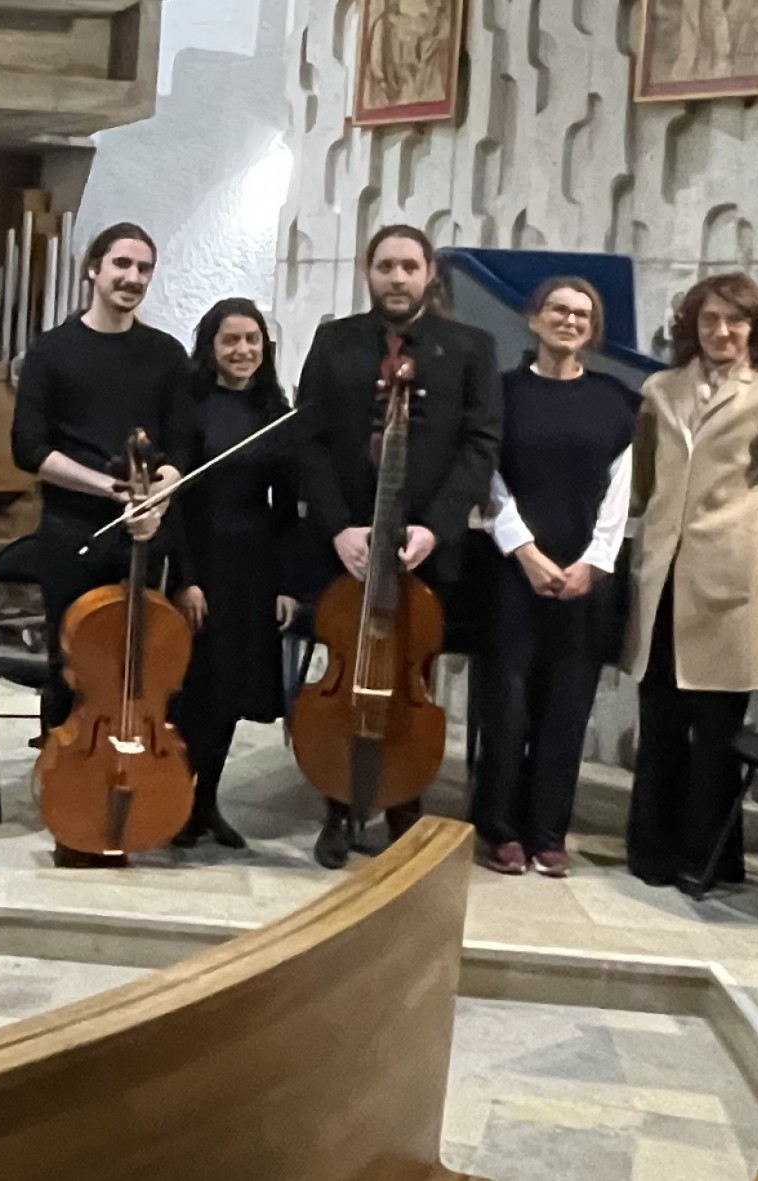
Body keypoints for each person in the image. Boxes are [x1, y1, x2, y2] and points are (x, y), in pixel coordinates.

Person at [294, 223, 503, 870]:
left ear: (428, 272)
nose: (396, 277)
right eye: (384, 265)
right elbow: (309, 439)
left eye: (408, 266)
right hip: (347, 541)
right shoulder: (335, 341)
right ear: (368, 271)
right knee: (344, 668)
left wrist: (434, 525)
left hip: (424, 546)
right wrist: (337, 526)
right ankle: (336, 803)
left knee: (412, 671)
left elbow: (479, 445)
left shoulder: (469, 347)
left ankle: (403, 804)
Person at [624, 273, 758, 891]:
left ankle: (707, 862)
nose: (722, 332)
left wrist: (752, 554)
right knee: (658, 723)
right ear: (692, 326)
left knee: (715, 735)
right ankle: (650, 854)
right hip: (662, 579)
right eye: (709, 320)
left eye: (736, 321)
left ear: (755, 331)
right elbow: (645, 482)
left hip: (731, 585)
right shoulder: (659, 390)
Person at [9, 223, 181, 869]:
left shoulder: (165, 355)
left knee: (139, 669)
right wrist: (109, 487)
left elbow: (181, 446)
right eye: (121, 265)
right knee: (71, 664)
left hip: (142, 528)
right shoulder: (53, 351)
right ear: (92, 269)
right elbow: (28, 447)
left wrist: (154, 494)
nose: (131, 278)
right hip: (73, 529)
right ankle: (69, 800)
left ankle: (136, 788)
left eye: (143, 268)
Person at [471, 279, 639, 879]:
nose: (569, 321)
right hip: (512, 571)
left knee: (567, 709)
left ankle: (547, 832)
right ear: (534, 319)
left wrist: (593, 561)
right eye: (558, 310)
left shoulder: (617, 400)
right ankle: (499, 830)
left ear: (591, 330)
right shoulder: (501, 392)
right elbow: (488, 477)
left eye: (582, 315)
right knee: (507, 707)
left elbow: (621, 493)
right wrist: (524, 550)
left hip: (586, 577)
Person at [164, 298, 305, 850]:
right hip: (202, 559)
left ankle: (205, 805)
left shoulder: (275, 409)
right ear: (212, 346)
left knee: (231, 695)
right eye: (231, 340)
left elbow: (287, 505)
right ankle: (175, 800)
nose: (242, 350)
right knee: (196, 692)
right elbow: (175, 500)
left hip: (254, 567)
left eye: (252, 340)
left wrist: (287, 583)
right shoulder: (190, 406)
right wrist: (185, 579)